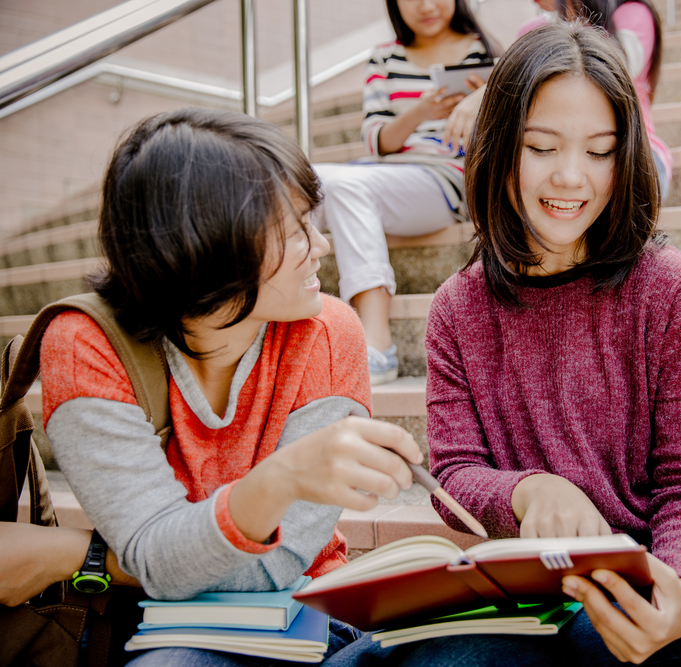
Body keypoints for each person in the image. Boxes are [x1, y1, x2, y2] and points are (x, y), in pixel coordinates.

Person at [22, 107, 424, 666]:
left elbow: (278, 566)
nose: (323, 247)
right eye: (295, 233)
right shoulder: (85, 342)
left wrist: (123, 553)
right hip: (169, 631)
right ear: (205, 249)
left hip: (311, 613)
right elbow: (158, 564)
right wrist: (278, 480)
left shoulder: (328, 331)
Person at [408, 22, 681, 666]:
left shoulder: (669, 290)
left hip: (660, 581)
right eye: (541, 147)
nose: (570, 178)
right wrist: (529, 491)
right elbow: (452, 476)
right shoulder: (458, 306)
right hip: (525, 594)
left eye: (600, 151)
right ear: (501, 147)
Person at [312, 0, 496, 385]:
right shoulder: (385, 57)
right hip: (384, 174)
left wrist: (480, 99)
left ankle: (377, 343)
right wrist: (420, 112)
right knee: (299, 179)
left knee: (345, 186)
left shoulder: (486, 51)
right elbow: (377, 141)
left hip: (445, 178)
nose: (426, 6)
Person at [443, 0, 672, 200]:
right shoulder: (532, 30)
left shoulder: (632, 14)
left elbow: (609, 77)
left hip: (632, 149)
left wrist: (487, 92)